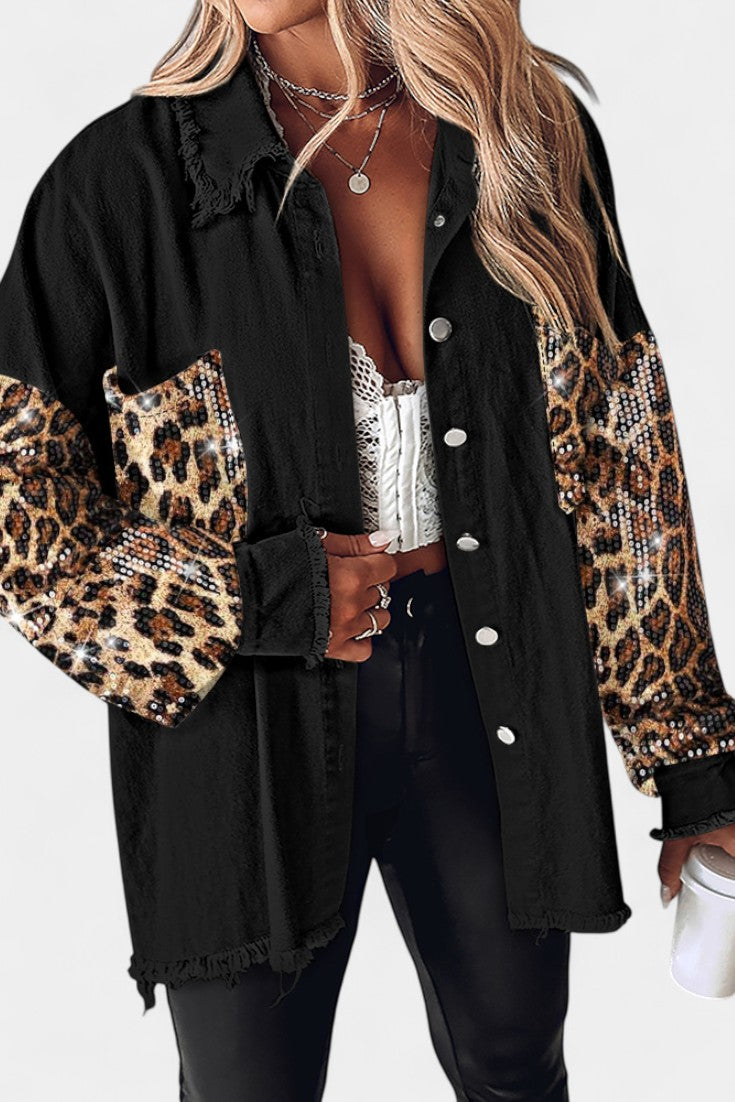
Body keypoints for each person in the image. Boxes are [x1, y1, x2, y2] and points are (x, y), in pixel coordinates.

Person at [2, 1, 735, 1099]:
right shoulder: (123, 185)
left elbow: (624, 465)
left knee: (516, 1067)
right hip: (245, 730)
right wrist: (251, 599)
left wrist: (697, 771)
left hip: (488, 694)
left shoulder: (526, 135)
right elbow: (18, 511)